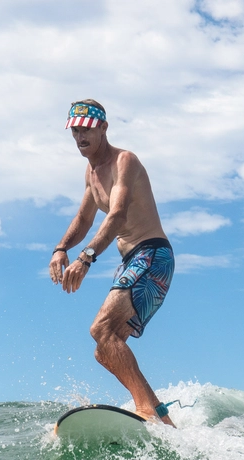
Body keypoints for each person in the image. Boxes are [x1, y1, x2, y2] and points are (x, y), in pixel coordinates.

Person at [49, 99, 176, 427]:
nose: (80, 136)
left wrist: (86, 257)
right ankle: (161, 415)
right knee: (106, 349)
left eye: (87, 129)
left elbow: (117, 215)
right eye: (75, 130)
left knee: (100, 329)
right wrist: (61, 248)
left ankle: (144, 410)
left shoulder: (124, 161)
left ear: (103, 128)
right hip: (133, 260)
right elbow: (84, 217)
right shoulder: (91, 174)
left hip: (152, 254)